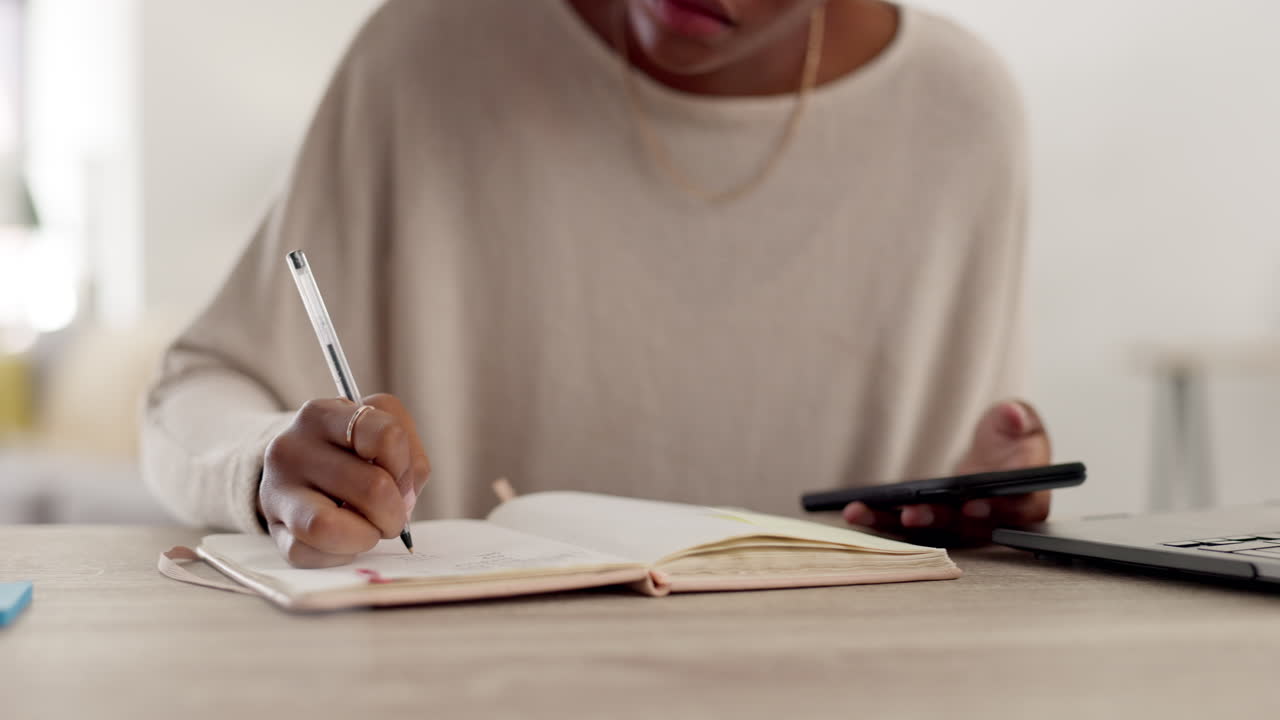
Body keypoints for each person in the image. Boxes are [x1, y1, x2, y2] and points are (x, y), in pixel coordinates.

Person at [143, 0, 1051, 568]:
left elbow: (950, 512)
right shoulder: (424, 52)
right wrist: (268, 463)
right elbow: (193, 389)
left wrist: (986, 501)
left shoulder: (957, 115)